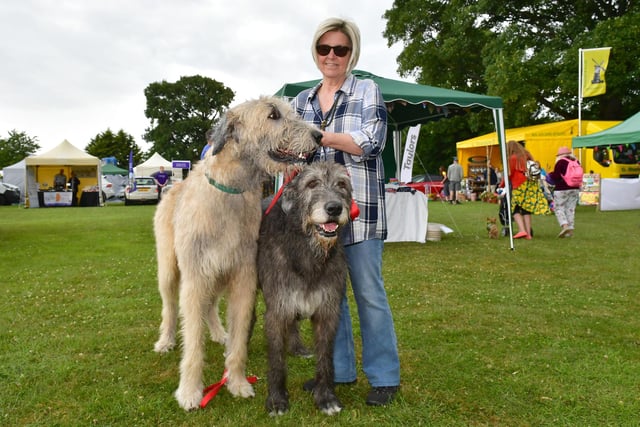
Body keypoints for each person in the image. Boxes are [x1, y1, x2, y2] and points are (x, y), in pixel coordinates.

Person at [292, 17, 400, 406]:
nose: (332, 56)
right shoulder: (300, 102)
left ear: (352, 53)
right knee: (327, 299)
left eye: (340, 49)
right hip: (315, 222)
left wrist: (317, 136)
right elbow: (293, 155)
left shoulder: (367, 90)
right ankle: (337, 371)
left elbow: (370, 142)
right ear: (316, 53)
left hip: (362, 212)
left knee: (369, 294)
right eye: (325, 49)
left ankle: (384, 376)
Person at [502, 140, 550, 239]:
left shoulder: (512, 158)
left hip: (519, 185)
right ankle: (528, 233)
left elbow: (509, 174)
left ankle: (522, 230)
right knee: (525, 209)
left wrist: (502, 184)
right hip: (530, 184)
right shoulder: (527, 155)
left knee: (514, 208)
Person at [547, 146, 580, 238]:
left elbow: (556, 177)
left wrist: (549, 176)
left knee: (559, 208)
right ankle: (570, 230)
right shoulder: (576, 161)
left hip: (562, 188)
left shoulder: (560, 162)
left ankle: (565, 226)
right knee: (570, 209)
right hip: (575, 188)